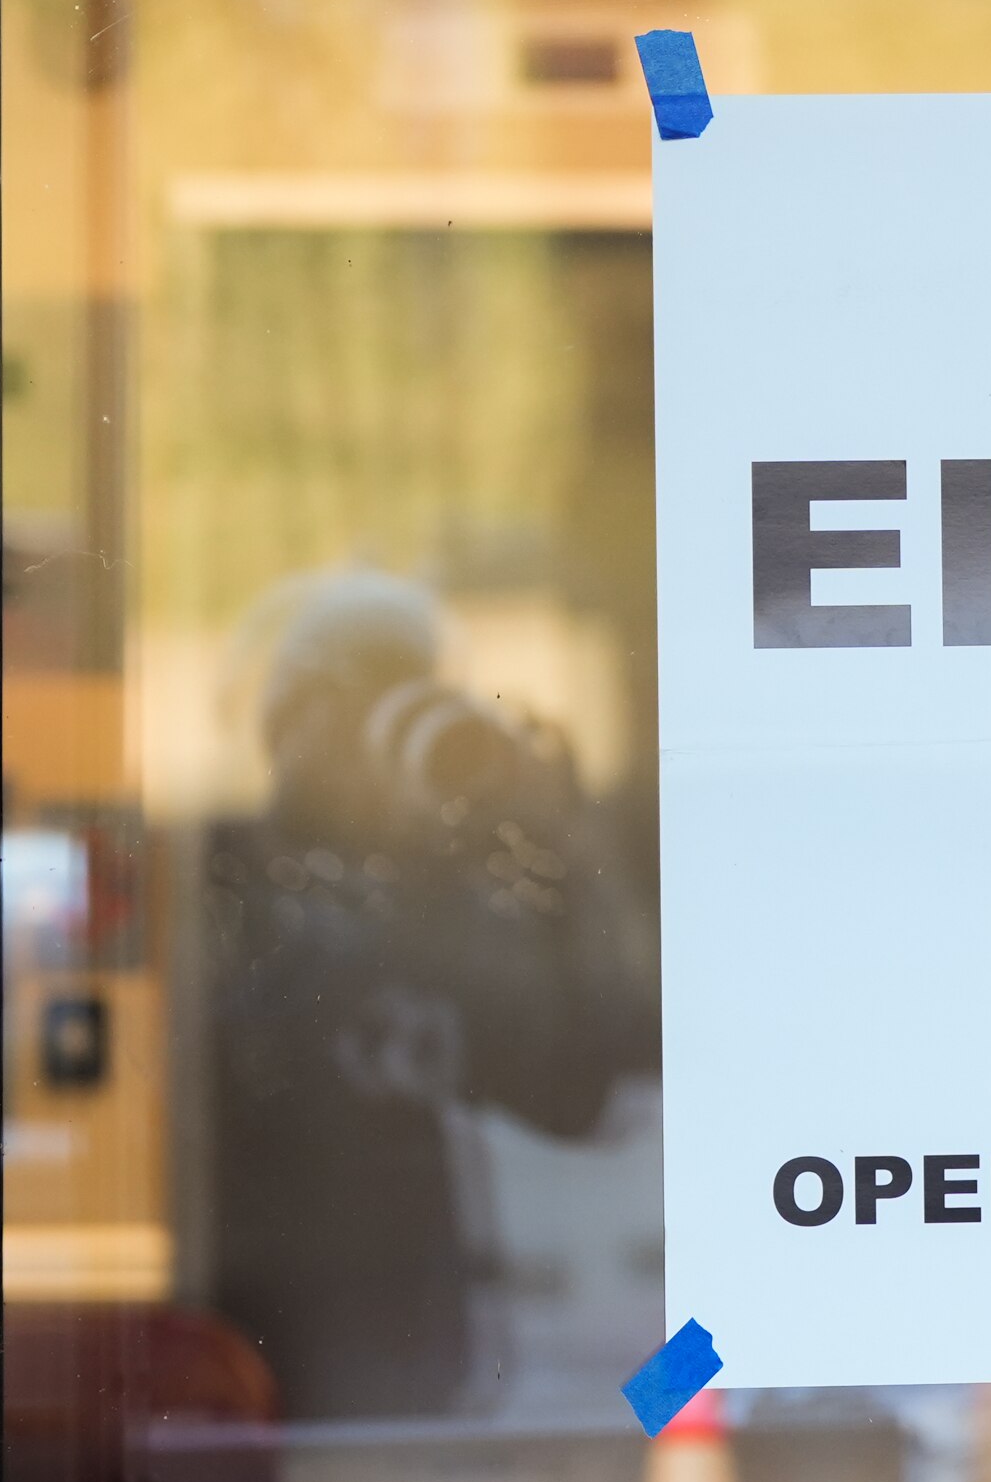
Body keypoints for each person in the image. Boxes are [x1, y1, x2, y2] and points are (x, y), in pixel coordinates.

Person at [203, 569, 654, 1421]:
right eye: (350, 711)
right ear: (288, 722)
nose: (378, 754)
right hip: (303, 1399)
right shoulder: (219, 894)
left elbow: (599, 1084)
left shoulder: (486, 907)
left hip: (516, 1404)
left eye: (419, 702)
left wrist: (562, 839)